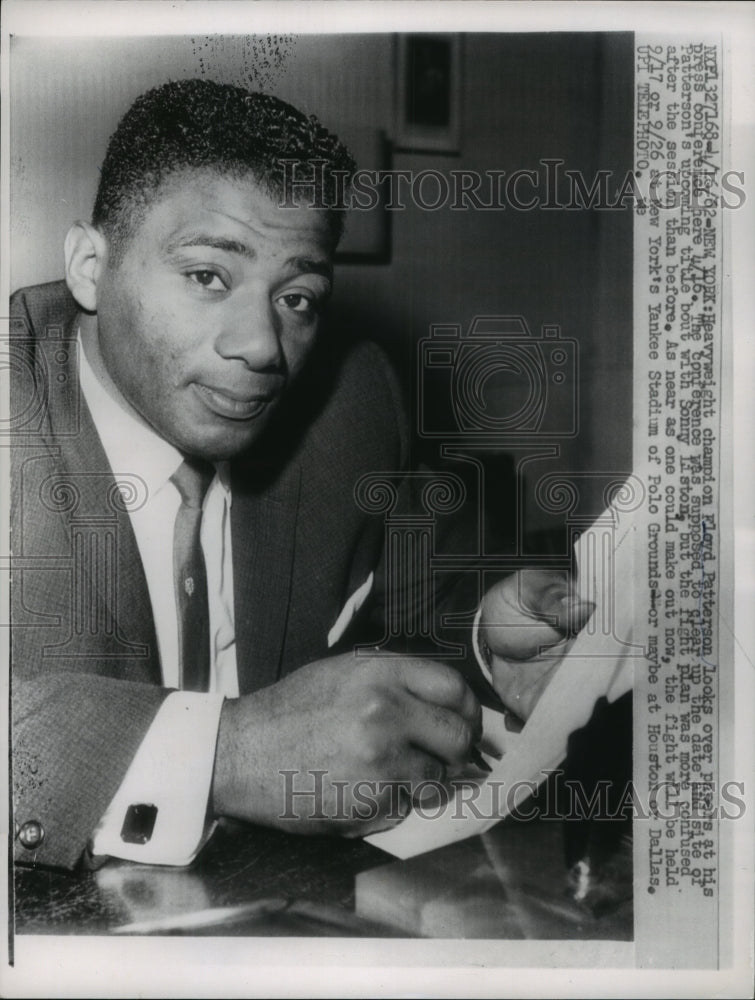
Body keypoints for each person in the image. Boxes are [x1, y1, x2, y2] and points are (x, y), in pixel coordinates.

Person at [10, 79, 591, 871]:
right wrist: (228, 749)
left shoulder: (349, 401)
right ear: (87, 266)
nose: (262, 345)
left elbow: (428, 607)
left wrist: (491, 644)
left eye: (296, 297)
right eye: (207, 276)